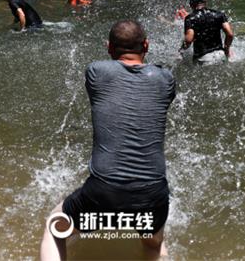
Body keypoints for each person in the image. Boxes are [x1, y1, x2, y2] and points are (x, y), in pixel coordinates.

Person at [40, 20, 175, 261]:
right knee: (155, 245)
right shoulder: (165, 78)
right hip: (153, 191)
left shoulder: (96, 71)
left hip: (104, 189)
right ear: (146, 45)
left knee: (54, 227)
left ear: (108, 48)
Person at [179, 0, 234, 64]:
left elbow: (188, 40)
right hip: (220, 55)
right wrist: (226, 49)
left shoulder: (190, 18)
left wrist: (181, 50)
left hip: (203, 59)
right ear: (205, 2)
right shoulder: (219, 14)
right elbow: (230, 34)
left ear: (191, 4)